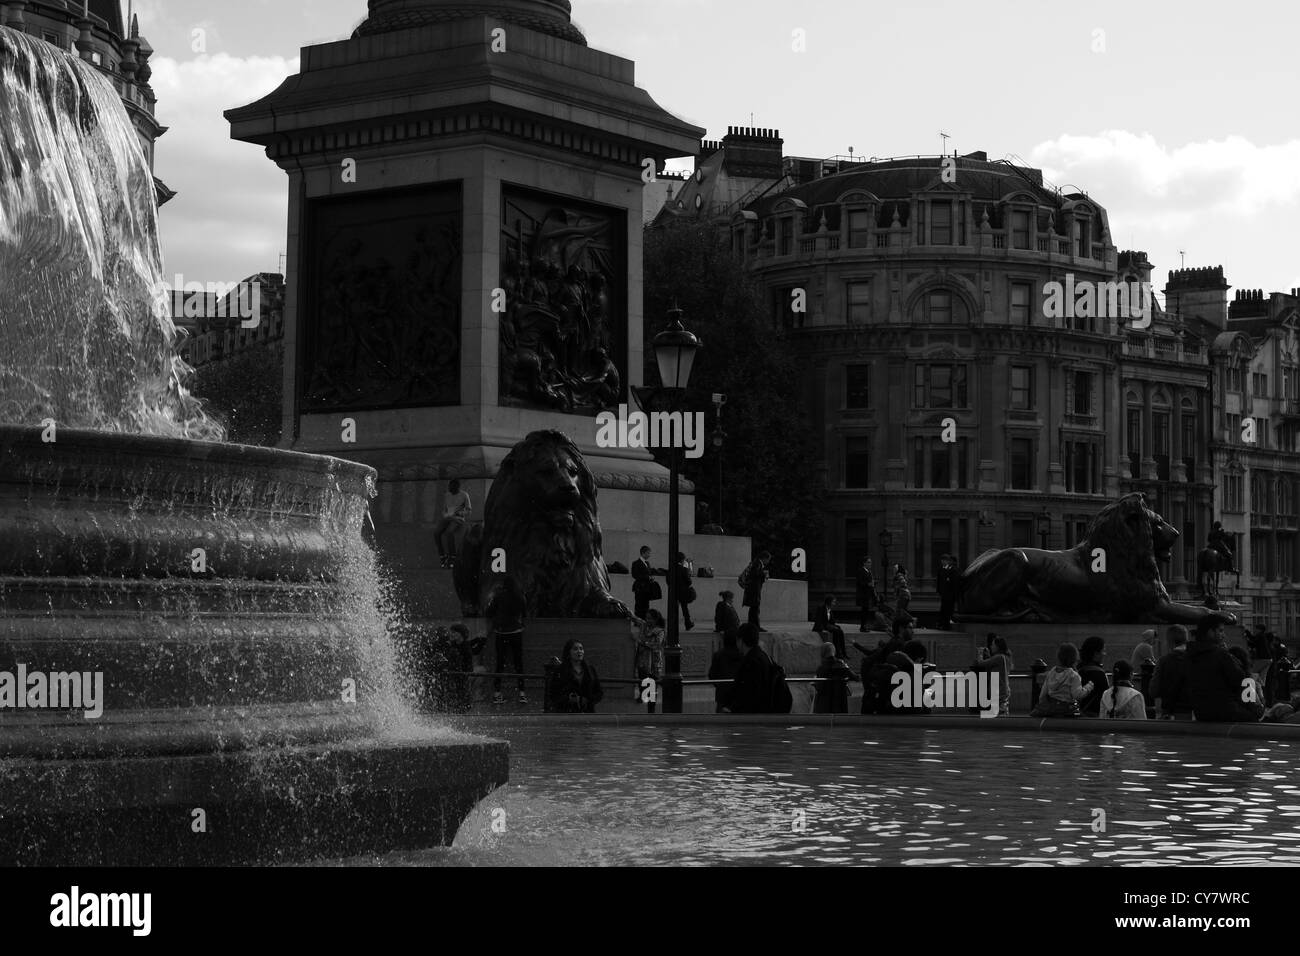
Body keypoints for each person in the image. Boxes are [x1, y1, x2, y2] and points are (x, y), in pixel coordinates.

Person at [1186, 615, 1264, 722]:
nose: (1224, 635)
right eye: (1221, 631)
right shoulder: (1221, 655)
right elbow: (1241, 681)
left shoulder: (1190, 655)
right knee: (1254, 718)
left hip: (1201, 712)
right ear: (1210, 632)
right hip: (1227, 711)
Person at [486, 574, 528, 705]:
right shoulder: (520, 596)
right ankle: (522, 693)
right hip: (516, 632)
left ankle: (497, 693)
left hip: (501, 632)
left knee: (500, 663)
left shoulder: (498, 596)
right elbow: (525, 613)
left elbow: (489, 612)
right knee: (518, 663)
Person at [1031, 643, 1094, 718]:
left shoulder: (1051, 673)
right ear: (1074, 659)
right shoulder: (1073, 675)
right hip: (1067, 710)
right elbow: (1077, 695)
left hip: (1051, 708)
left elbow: (1042, 694)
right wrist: (1088, 687)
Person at [1150, 624, 1194, 719]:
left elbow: (1154, 690)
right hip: (1195, 712)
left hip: (1171, 713)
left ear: (1170, 642)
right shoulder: (1196, 659)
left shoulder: (1164, 661)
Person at [730, 623, 775, 713]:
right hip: (765, 711)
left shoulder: (750, 662)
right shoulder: (764, 656)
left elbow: (748, 693)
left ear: (741, 640)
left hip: (752, 715)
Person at [551, 639, 603, 713]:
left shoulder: (590, 670)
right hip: (567, 712)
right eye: (575, 649)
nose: (579, 651)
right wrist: (568, 699)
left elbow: (599, 692)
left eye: (581, 649)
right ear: (568, 652)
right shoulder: (560, 670)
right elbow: (553, 693)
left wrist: (588, 700)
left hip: (587, 711)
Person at [971, 633, 1013, 716]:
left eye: (993, 645)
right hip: (1001, 691)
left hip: (999, 692)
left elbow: (980, 663)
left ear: (998, 646)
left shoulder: (999, 657)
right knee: (1000, 713)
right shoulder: (1003, 657)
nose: (991, 646)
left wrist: (980, 653)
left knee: (998, 714)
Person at [433, 479, 472, 568]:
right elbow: (444, 509)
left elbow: (469, 510)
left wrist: (460, 513)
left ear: (457, 487)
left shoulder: (464, 495)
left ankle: (452, 556)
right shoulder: (447, 495)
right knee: (436, 533)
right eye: (449, 487)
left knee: (449, 532)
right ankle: (442, 555)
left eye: (452, 487)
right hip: (448, 518)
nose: (450, 489)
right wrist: (445, 515)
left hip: (458, 518)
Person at [634, 609, 666, 709]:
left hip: (653, 664)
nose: (647, 620)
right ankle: (643, 698)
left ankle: (651, 710)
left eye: (650, 618)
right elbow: (634, 618)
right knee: (642, 682)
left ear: (656, 619)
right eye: (646, 618)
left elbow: (657, 644)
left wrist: (643, 643)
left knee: (652, 687)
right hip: (642, 661)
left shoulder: (660, 631)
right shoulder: (644, 627)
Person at [708, 629, 745, 713]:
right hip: (738, 695)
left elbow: (712, 675)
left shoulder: (718, 655)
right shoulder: (743, 656)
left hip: (723, 695)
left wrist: (720, 685)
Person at [813, 642, 854, 714]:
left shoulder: (821, 668)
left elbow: (820, 688)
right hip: (839, 703)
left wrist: (815, 684)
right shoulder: (841, 664)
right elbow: (855, 677)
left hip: (825, 704)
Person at [1077, 636, 1109, 717]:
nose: (1105, 654)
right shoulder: (1099, 674)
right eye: (1103, 651)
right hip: (1094, 717)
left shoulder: (1078, 670)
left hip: (1079, 714)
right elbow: (1106, 699)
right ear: (1096, 653)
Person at [739, 551, 771, 631]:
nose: (768, 561)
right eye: (768, 559)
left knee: (753, 609)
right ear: (764, 558)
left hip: (752, 589)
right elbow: (755, 574)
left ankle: (752, 626)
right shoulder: (758, 563)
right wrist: (764, 573)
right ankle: (756, 626)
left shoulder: (756, 563)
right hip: (754, 590)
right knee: (755, 609)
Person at [631, 546, 658, 619]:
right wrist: (647, 577)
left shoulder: (647, 563)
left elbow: (648, 573)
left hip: (647, 588)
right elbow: (635, 575)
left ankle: (645, 620)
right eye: (648, 553)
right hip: (640, 587)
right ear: (643, 553)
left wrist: (651, 577)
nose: (649, 555)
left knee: (646, 605)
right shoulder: (636, 563)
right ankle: (638, 621)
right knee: (639, 605)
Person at [673, 551, 696, 631]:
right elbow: (689, 581)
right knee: (684, 609)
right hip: (683, 592)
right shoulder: (684, 569)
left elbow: (668, 580)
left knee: (673, 609)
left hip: (674, 592)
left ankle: (673, 624)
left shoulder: (672, 568)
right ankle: (688, 623)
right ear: (682, 560)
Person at [936, 554, 958, 630]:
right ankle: (943, 624)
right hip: (944, 593)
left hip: (950, 594)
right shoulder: (941, 569)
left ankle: (946, 625)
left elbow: (954, 583)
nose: (943, 562)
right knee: (944, 609)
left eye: (945, 560)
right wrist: (939, 591)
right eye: (942, 560)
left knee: (948, 609)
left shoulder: (952, 569)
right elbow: (939, 581)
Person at [855, 557, 878, 632]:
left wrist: (873, 583)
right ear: (864, 563)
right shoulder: (861, 571)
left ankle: (865, 626)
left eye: (870, 562)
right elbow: (859, 582)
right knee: (864, 611)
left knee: (866, 611)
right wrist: (868, 584)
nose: (870, 564)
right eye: (868, 562)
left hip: (868, 595)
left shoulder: (869, 572)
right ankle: (863, 627)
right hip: (863, 595)